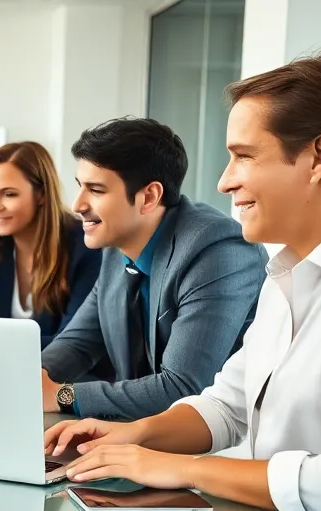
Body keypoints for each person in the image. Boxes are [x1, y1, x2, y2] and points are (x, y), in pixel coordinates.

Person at [48, 47, 321, 511]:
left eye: (244, 156)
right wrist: (135, 435)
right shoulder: (290, 268)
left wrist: (181, 468)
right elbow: (227, 406)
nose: (225, 180)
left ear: (319, 157)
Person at [40, 118, 265, 421]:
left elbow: (183, 387)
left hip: (224, 448)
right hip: (137, 438)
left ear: (149, 197)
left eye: (95, 190)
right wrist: (28, 378)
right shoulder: (115, 249)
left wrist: (60, 394)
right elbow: (78, 344)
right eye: (80, 186)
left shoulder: (218, 249)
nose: (77, 205)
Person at [0, 142, 102, 348]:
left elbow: (71, 343)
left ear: (42, 194)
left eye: (9, 194)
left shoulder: (85, 245)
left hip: (63, 376)